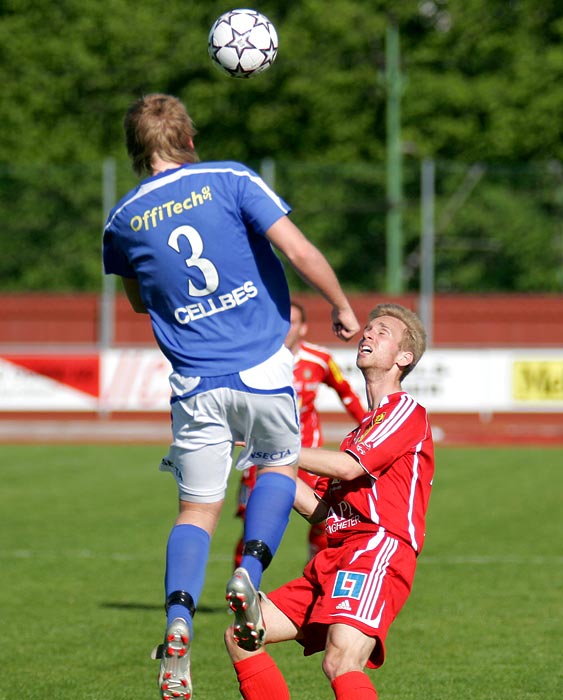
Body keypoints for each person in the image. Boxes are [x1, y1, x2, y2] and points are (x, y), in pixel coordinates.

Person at [102, 93, 360, 700]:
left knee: (196, 511)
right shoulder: (231, 178)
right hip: (264, 366)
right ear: (190, 141)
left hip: (194, 383)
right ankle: (249, 572)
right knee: (277, 466)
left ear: (135, 152)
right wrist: (342, 305)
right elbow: (297, 250)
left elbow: (141, 301)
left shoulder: (120, 221)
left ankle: (178, 621)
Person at [225, 303, 434, 700]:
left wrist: (276, 446)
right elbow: (320, 512)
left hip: (378, 549)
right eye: (368, 329)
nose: (369, 334)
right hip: (336, 556)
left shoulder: (406, 411)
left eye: (382, 332)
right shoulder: (357, 435)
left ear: (404, 358)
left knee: (341, 660)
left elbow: (349, 468)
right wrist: (268, 459)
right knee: (241, 634)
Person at [234, 300, 366, 568]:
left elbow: (346, 393)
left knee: (326, 520)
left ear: (303, 328)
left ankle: (318, 570)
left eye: (292, 322)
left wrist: (368, 426)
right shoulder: (254, 358)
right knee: (253, 522)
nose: (285, 328)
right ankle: (241, 587)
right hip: (264, 453)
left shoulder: (320, 359)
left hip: (308, 454)